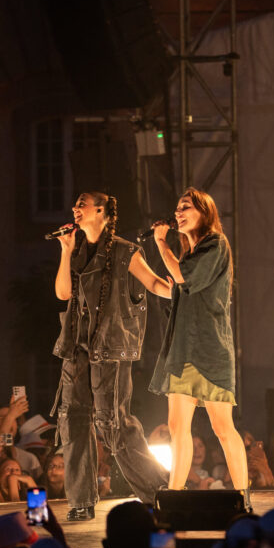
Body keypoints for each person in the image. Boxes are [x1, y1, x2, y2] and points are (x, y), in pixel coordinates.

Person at [51, 191, 172, 521]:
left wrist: (185, 293)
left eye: (82, 203)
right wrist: (65, 250)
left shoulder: (123, 251)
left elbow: (153, 282)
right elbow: (63, 293)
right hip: (76, 346)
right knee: (72, 417)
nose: (75, 208)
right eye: (74, 203)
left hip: (111, 346)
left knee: (112, 421)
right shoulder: (76, 251)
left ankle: (159, 493)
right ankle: (80, 501)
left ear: (101, 211)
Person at [149, 188, 249, 499]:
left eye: (185, 207)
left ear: (204, 213)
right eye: (177, 207)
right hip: (183, 351)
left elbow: (181, 276)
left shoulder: (215, 244)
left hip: (210, 349)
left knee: (222, 427)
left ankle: (242, 493)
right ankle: (175, 494)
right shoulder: (190, 253)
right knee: (177, 425)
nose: (178, 213)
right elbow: (177, 287)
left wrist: (160, 242)